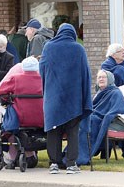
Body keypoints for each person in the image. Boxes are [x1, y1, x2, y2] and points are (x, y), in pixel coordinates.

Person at [39, 23, 92, 174]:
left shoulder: (48, 47)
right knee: (72, 132)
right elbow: (85, 73)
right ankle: (70, 163)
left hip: (53, 98)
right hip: (73, 98)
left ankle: (53, 164)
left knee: (53, 131)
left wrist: (48, 88)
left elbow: (42, 69)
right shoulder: (78, 49)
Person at [77, 70, 124, 165]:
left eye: (103, 77)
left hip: (111, 121)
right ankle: (73, 153)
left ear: (109, 79)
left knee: (91, 120)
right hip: (95, 118)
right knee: (84, 119)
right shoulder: (98, 93)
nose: (101, 79)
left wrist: (105, 116)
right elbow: (93, 108)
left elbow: (118, 108)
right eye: (99, 77)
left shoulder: (115, 92)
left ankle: (82, 155)